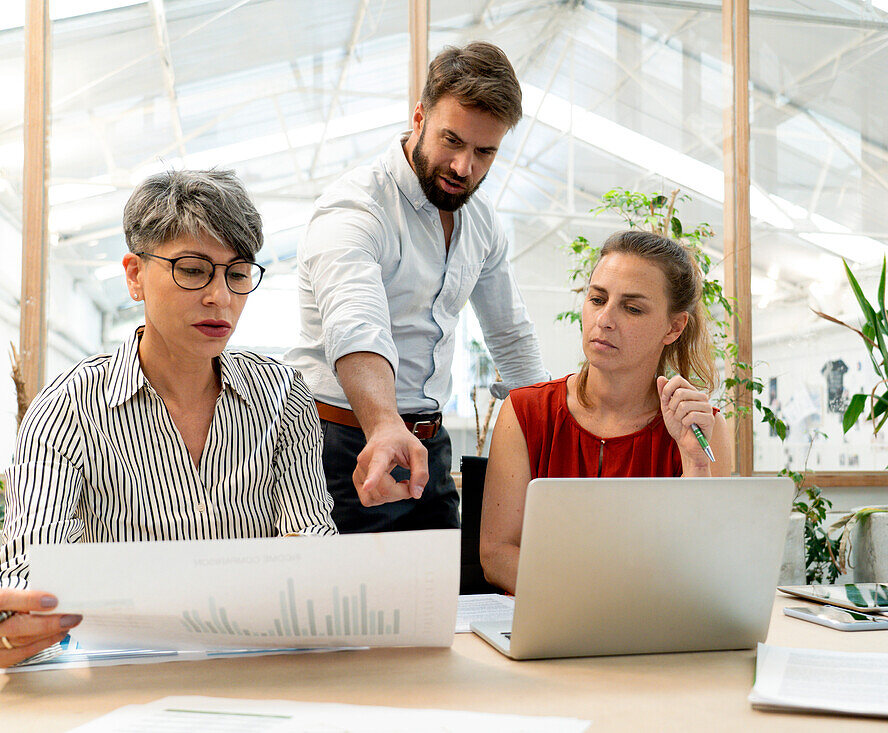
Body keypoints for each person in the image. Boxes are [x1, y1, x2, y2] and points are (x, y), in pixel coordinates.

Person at [0, 170, 337, 667]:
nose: (219, 297)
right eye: (193, 269)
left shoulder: (282, 397)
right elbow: (35, 566)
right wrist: (21, 621)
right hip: (124, 675)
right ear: (134, 275)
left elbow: (311, 541)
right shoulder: (67, 409)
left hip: (256, 667)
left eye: (237, 274)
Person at [285, 42, 548, 534]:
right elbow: (355, 322)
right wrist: (383, 423)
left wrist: (554, 437)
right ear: (420, 117)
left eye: (484, 152)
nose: (464, 167)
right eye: (452, 141)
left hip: (428, 443)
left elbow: (512, 339)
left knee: (443, 599)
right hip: (338, 445)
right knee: (351, 606)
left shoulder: (483, 223)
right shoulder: (355, 207)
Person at [480, 230, 734, 594]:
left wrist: (695, 464)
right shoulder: (524, 411)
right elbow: (496, 555)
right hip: (546, 624)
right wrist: (595, 601)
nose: (605, 319)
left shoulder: (700, 428)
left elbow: (705, 568)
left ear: (674, 327)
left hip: (648, 638)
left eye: (632, 308)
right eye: (597, 299)